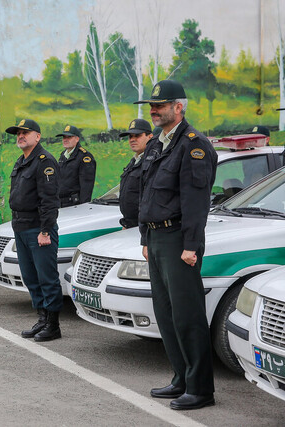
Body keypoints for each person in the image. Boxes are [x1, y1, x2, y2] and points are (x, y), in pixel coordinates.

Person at [134, 80, 217, 410]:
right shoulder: (157, 144)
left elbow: (196, 202)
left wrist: (191, 245)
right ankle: (181, 378)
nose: (153, 110)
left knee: (187, 316)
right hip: (156, 239)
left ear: (179, 107)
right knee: (166, 315)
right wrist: (144, 236)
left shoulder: (194, 146)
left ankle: (200, 389)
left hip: (178, 240)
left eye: (160, 105)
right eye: (151, 106)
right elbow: (147, 192)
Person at [5, 119, 63, 342]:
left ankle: (53, 325)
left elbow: (49, 200)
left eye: (25, 133)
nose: (20, 136)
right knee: (31, 277)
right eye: (18, 133)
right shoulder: (22, 161)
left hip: (38, 229)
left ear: (37, 137)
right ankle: (41, 318)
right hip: (21, 227)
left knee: (46, 278)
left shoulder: (44, 161)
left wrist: (46, 231)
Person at [118, 119, 154, 229]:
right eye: (130, 137)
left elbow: (150, 201)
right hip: (131, 225)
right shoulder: (135, 160)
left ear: (150, 137)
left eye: (137, 136)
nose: (132, 140)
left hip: (143, 227)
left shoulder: (153, 161)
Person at [56, 125, 96, 207]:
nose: (65, 140)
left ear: (77, 139)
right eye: (64, 137)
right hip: (61, 203)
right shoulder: (63, 155)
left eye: (69, 137)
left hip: (74, 204)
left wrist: (83, 207)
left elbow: (86, 186)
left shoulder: (85, 157)